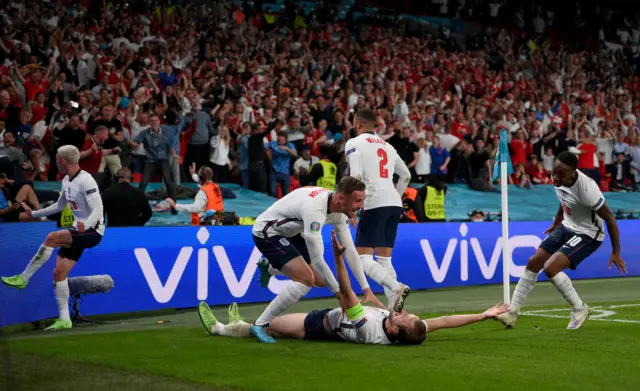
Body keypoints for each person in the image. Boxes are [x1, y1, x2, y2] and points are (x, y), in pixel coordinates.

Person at [197, 231, 510, 345]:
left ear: (394, 332)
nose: (403, 313)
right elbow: (443, 322)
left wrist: (338, 259)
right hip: (335, 315)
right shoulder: (405, 327)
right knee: (305, 281)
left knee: (269, 327)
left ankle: (224, 329)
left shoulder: (367, 328)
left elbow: (346, 295)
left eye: (402, 318)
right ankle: (244, 316)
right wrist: (483, 315)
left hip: (319, 326)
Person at [250, 176, 407, 343]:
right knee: (306, 280)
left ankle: (270, 267)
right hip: (268, 232)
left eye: (362, 200)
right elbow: (318, 260)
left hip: (292, 231)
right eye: (357, 201)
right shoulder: (315, 211)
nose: (361, 206)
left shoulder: (339, 209)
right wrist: (339, 295)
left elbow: (350, 251)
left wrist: (366, 287)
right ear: (341, 198)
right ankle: (260, 323)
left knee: (319, 281)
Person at [497, 151, 627, 330]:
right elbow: (564, 197)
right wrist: (558, 220)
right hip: (567, 225)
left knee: (551, 267)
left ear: (574, 172)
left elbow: (610, 218)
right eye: (554, 172)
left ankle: (580, 308)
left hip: (589, 234)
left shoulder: (588, 190)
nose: (556, 176)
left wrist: (616, 251)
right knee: (534, 262)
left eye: (561, 173)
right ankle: (512, 312)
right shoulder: (560, 178)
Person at [0, 145, 104, 330]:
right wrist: (35, 213)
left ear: (63, 161)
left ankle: (24, 278)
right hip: (77, 230)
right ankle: (65, 319)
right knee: (59, 273)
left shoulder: (86, 180)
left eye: (56, 159)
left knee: (52, 237)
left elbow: (98, 209)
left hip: (92, 231)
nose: (55, 162)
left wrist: (85, 224)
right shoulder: (66, 180)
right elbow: (59, 205)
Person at [345, 109, 412, 307]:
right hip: (393, 202)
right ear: (376, 125)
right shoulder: (388, 146)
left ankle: (397, 286)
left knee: (362, 257)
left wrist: (353, 208)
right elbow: (406, 175)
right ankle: (394, 307)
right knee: (384, 259)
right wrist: (394, 197)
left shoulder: (354, 143)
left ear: (357, 123)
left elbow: (356, 176)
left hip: (374, 201)